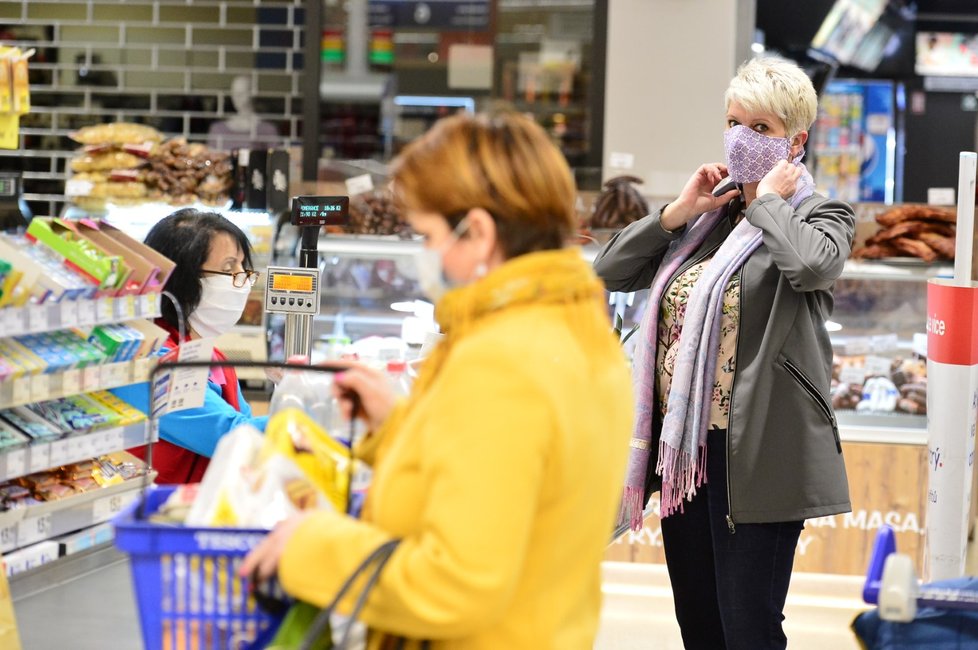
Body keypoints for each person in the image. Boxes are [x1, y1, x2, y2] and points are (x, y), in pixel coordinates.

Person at [241, 111, 633, 649]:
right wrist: (403, 425)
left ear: (478, 232)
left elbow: (456, 583)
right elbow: (510, 483)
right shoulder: (574, 326)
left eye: (426, 234)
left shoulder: (502, 360)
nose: (421, 256)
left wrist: (309, 546)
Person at [593, 56, 854, 649]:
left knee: (750, 628)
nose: (740, 137)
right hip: (686, 449)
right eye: (733, 122)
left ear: (797, 140)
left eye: (760, 128)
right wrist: (679, 212)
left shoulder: (821, 214)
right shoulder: (707, 218)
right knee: (701, 623)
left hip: (757, 449)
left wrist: (769, 202)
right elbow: (609, 270)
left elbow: (811, 266)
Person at [114, 208, 267, 483]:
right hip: (151, 517)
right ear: (183, 279)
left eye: (243, 266)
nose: (241, 280)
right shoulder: (150, 361)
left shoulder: (213, 357)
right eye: (228, 267)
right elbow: (234, 437)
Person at [207, 75, 278, 152]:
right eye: (234, 93)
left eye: (242, 93)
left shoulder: (267, 129)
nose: (237, 97)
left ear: (252, 94)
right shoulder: (218, 129)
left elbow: (275, 159)